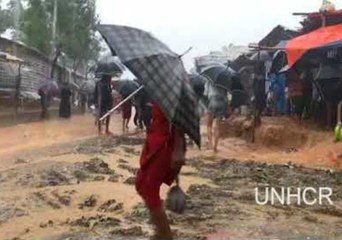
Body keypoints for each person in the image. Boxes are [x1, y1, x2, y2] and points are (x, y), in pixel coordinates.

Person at [136, 102, 186, 240]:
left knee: (149, 189)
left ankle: (165, 235)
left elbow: (179, 119)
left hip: (164, 146)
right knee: (141, 183)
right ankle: (161, 232)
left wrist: (178, 148)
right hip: (155, 142)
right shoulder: (162, 91)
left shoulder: (172, 92)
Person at [204, 81, 228, 152]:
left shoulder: (209, 80)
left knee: (209, 125)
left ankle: (210, 145)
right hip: (222, 102)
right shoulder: (224, 81)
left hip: (213, 100)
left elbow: (205, 94)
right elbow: (226, 96)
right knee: (217, 126)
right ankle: (215, 147)